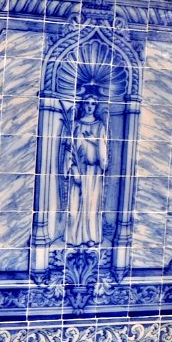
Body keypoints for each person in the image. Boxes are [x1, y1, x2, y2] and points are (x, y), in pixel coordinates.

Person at [64, 90, 109, 247]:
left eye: (93, 104)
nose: (90, 106)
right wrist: (73, 169)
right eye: (87, 103)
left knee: (92, 204)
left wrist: (94, 141)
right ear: (82, 105)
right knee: (75, 204)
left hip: (94, 171)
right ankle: (75, 238)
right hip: (79, 170)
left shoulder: (100, 126)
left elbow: (103, 149)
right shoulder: (75, 125)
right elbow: (69, 149)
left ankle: (91, 237)